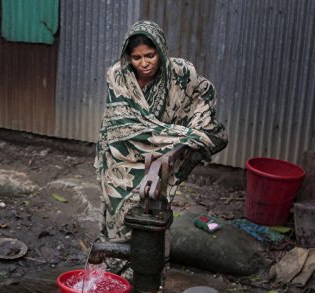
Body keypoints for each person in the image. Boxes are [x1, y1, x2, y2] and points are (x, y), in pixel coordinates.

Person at [95, 21, 228, 243]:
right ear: (128, 58)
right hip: (122, 150)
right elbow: (122, 124)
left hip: (161, 148)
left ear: (161, 50)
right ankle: (120, 256)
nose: (144, 63)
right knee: (117, 197)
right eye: (137, 58)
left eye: (150, 55)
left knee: (154, 198)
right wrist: (185, 135)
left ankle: (149, 254)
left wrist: (192, 127)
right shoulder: (118, 75)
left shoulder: (179, 72)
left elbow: (204, 92)